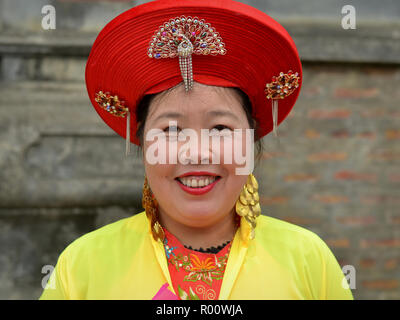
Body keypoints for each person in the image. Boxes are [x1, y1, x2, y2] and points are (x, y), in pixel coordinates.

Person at [39, 0, 353, 300]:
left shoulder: (309, 260)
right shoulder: (82, 265)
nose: (197, 152)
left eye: (220, 129)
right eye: (172, 130)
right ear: (142, 142)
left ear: (251, 141)